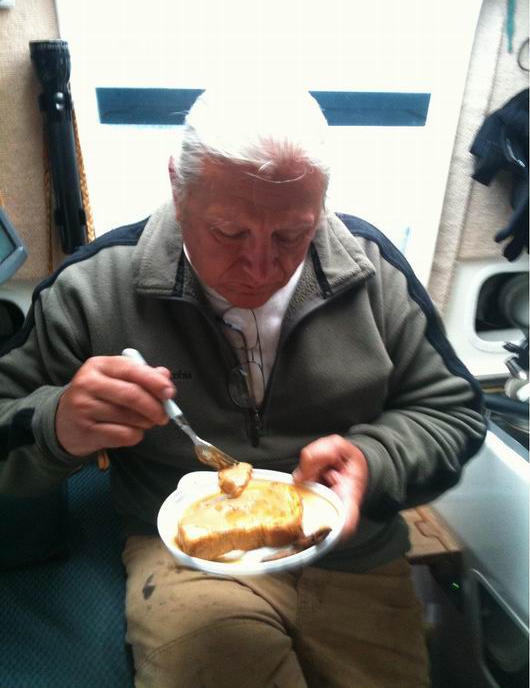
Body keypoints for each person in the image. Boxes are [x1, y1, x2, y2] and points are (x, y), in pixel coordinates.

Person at [0, 87, 487, 688]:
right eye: (229, 233)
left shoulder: (372, 272)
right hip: (190, 557)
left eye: (292, 235)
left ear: (322, 204)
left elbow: (454, 414)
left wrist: (375, 459)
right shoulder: (92, 288)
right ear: (178, 188)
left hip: (351, 550)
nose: (261, 268)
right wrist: (56, 426)